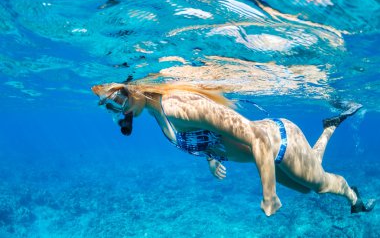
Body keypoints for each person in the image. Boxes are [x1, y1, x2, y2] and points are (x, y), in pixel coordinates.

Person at [92, 81, 375, 216]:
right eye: (111, 106)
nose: (120, 107)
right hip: (267, 153)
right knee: (306, 185)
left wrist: (269, 194)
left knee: (321, 184)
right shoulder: (156, 112)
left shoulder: (177, 105)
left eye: (119, 96)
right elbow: (205, 136)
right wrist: (212, 157)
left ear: (132, 87)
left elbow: (258, 140)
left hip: (279, 144)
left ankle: (354, 198)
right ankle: (330, 125)